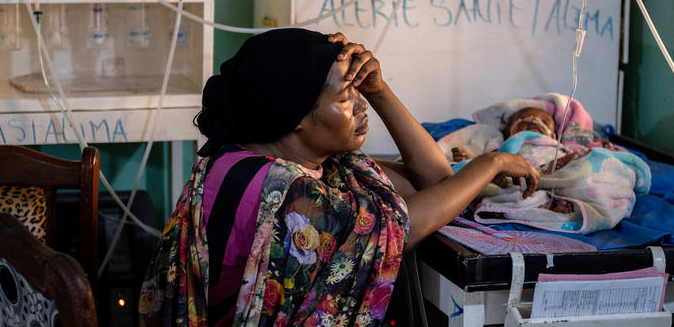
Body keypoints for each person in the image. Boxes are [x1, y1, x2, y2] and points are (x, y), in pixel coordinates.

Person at [139, 28, 539, 326]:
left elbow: (432, 182)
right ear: (295, 116)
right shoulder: (279, 191)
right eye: (347, 97)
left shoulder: (289, 160)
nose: (361, 105)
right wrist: (490, 164)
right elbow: (402, 225)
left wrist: (380, 90)